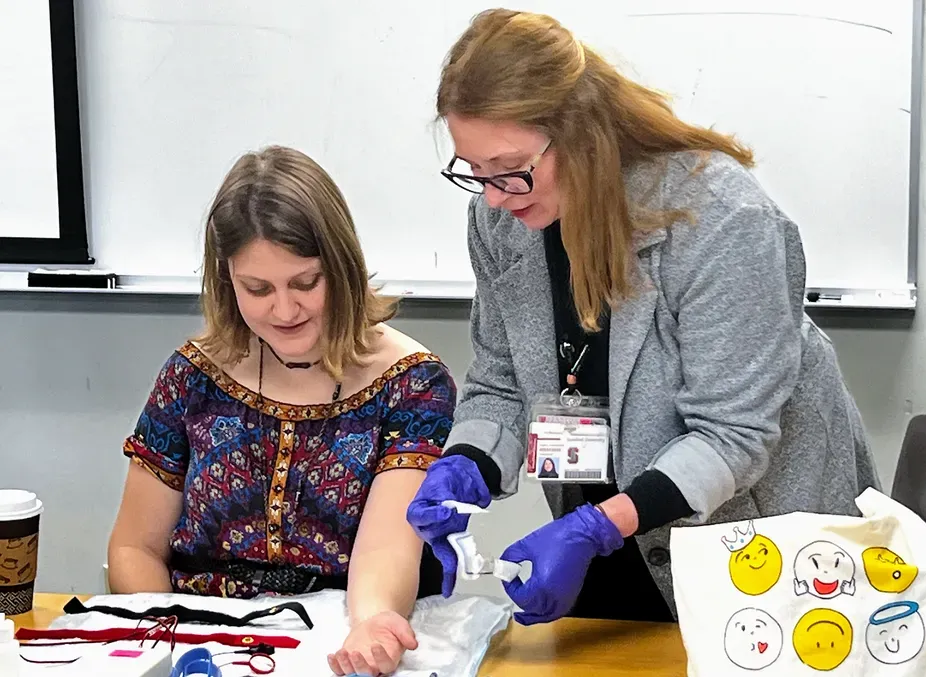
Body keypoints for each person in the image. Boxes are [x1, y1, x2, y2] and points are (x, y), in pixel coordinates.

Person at [406, 9, 881, 625]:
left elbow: (731, 438)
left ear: (580, 132)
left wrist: (598, 527)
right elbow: (499, 382)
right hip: (606, 531)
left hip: (756, 546)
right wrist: (465, 464)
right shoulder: (504, 220)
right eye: (476, 173)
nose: (495, 196)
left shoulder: (720, 219)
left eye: (509, 170)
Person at [106, 145, 456, 676]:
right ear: (227, 280)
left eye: (304, 283)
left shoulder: (411, 383)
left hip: (333, 637)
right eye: (257, 289)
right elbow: (135, 547)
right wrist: (173, 650)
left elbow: (386, 550)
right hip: (200, 642)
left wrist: (371, 625)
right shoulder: (192, 375)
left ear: (341, 267)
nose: (284, 310)